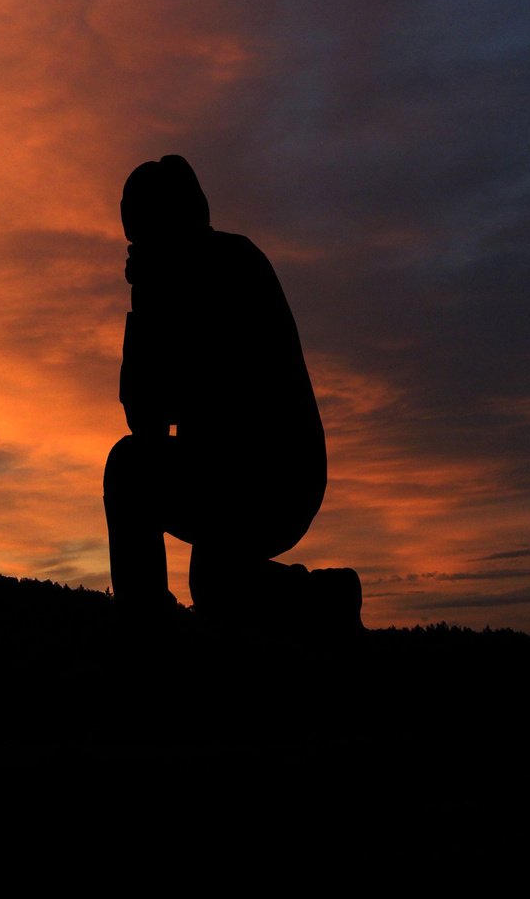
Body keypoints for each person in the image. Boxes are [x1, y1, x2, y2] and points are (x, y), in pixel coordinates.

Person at [103, 155, 359, 629]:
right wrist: (145, 311)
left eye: (145, 235)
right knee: (218, 585)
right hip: (227, 473)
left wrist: (152, 308)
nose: (138, 250)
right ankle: (327, 600)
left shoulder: (232, 266)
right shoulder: (171, 287)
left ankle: (145, 636)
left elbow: (193, 401)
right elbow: (146, 418)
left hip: (275, 476)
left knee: (129, 470)